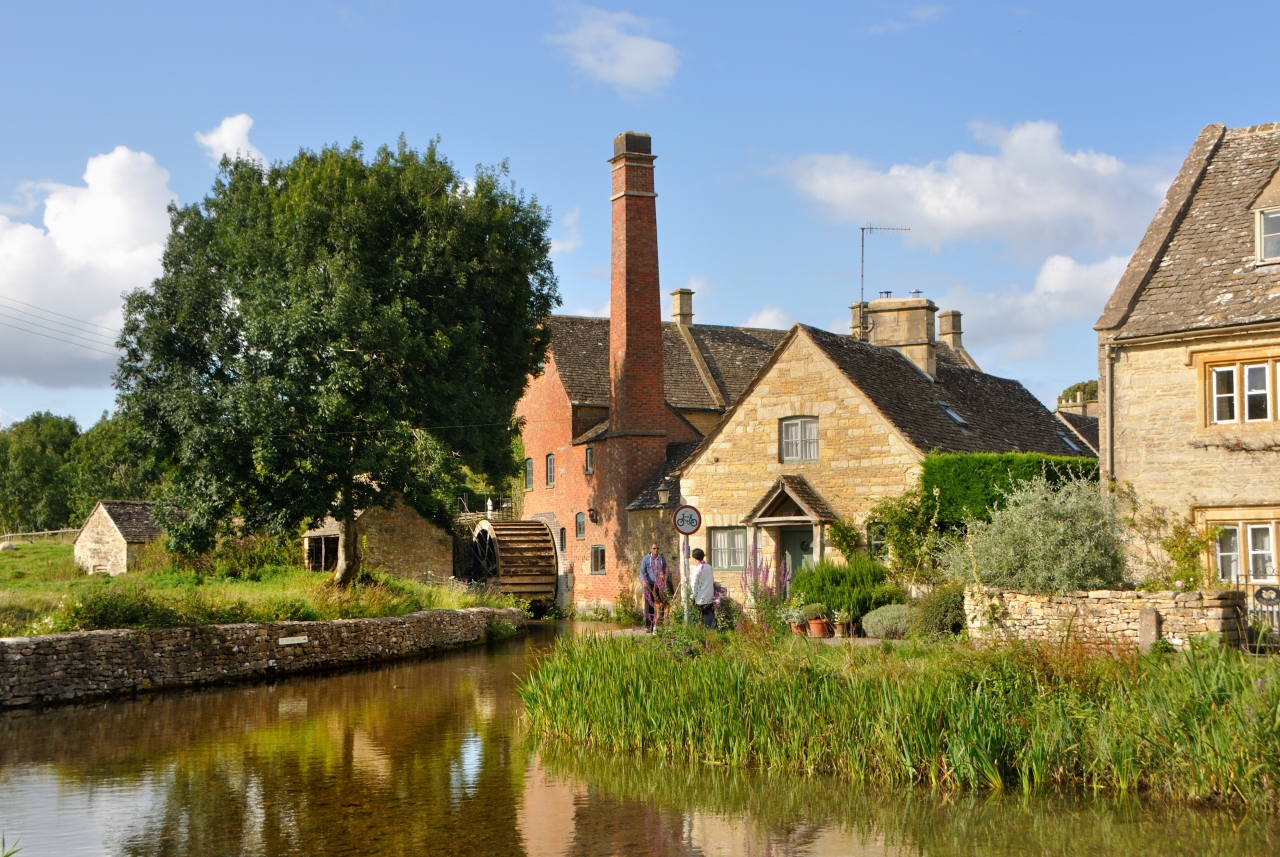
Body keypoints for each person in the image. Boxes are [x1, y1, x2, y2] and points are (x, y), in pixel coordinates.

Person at [639, 542, 670, 632]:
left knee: (660, 603)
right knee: (650, 604)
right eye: (654, 548)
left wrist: (665, 578)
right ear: (650, 549)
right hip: (649, 584)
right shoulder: (646, 559)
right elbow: (641, 571)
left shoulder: (661, 558)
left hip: (659, 584)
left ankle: (659, 624)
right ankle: (650, 626)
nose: (656, 550)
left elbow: (665, 569)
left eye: (657, 548)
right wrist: (644, 581)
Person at [690, 548, 716, 629]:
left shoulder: (697, 569)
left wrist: (692, 596)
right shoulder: (709, 567)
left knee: (696, 617)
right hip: (709, 596)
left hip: (700, 597)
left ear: (694, 558)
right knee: (709, 617)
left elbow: (693, 584)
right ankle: (712, 634)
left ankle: (700, 632)